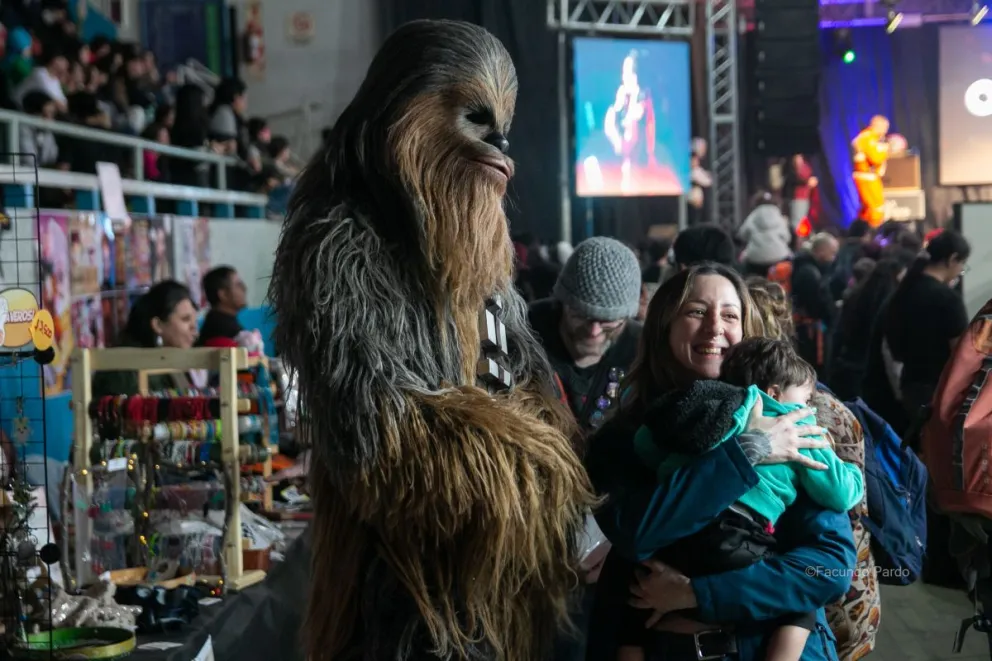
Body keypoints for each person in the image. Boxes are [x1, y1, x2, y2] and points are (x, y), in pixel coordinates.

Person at [584, 263, 856, 661]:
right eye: (696, 311)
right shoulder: (626, 436)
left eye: (730, 315)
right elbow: (636, 532)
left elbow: (830, 567)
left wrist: (698, 594)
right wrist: (747, 451)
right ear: (663, 326)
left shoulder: (791, 422)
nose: (715, 328)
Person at [528, 236, 642, 432]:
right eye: (581, 316)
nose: (594, 331)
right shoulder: (527, 331)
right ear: (562, 303)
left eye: (608, 321)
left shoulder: (640, 348)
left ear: (626, 316)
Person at [882, 229, 971, 422]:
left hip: (910, 387)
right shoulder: (948, 299)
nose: (960, 271)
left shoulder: (903, 292)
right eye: (962, 265)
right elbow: (961, 354)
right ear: (952, 259)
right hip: (941, 391)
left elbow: (894, 345)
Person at [91, 281, 199, 396]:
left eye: (195, 320)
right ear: (158, 325)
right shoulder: (126, 370)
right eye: (185, 319)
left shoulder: (171, 361)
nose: (194, 330)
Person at [604, 50, 656, 194]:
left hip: (641, 167)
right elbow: (610, 120)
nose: (623, 78)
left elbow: (631, 137)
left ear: (636, 76)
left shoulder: (643, 100)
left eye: (627, 73)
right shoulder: (623, 94)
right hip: (627, 163)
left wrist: (619, 142)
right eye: (623, 73)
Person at [791, 233, 839, 374]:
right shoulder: (810, 273)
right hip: (812, 335)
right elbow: (819, 305)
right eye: (832, 253)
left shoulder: (803, 267)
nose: (833, 258)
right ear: (821, 251)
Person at [738, 191, 793, 277]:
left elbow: (742, 235)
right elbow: (787, 238)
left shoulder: (753, 215)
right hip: (778, 257)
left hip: (755, 259)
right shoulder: (778, 216)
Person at [851, 116, 892, 228]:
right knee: (876, 206)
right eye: (885, 128)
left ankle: (862, 230)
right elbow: (875, 158)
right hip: (867, 177)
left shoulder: (871, 138)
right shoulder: (867, 138)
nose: (885, 132)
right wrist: (886, 150)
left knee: (867, 209)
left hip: (869, 176)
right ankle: (874, 231)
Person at [197, 266, 247, 347]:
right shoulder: (224, 330)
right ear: (223, 295)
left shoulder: (214, 322)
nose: (244, 288)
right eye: (238, 285)